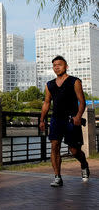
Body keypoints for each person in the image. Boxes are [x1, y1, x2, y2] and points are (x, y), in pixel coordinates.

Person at [39, 55, 89, 187]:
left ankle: (83, 163)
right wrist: (42, 120)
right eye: (54, 65)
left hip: (71, 120)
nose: (57, 67)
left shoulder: (75, 81)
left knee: (74, 150)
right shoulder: (49, 84)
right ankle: (57, 177)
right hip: (56, 120)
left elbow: (82, 102)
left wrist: (78, 116)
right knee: (55, 147)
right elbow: (46, 102)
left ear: (66, 66)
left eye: (59, 64)